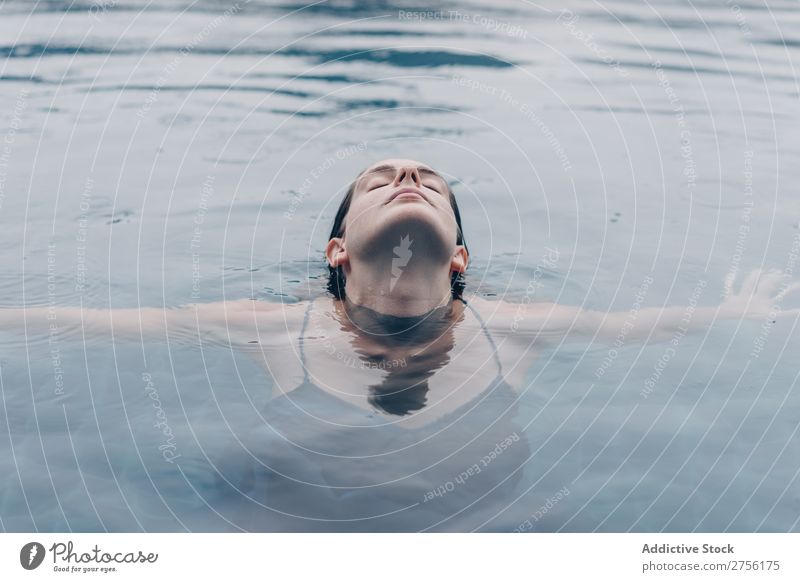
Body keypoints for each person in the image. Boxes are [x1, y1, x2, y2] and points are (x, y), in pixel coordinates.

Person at [2, 158, 798, 531]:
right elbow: (89, 324)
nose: (408, 175)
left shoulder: (516, 322)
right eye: (380, 178)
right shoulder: (273, 325)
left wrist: (732, 312)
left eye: (429, 181)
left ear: (459, 259)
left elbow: (643, 330)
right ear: (336, 250)